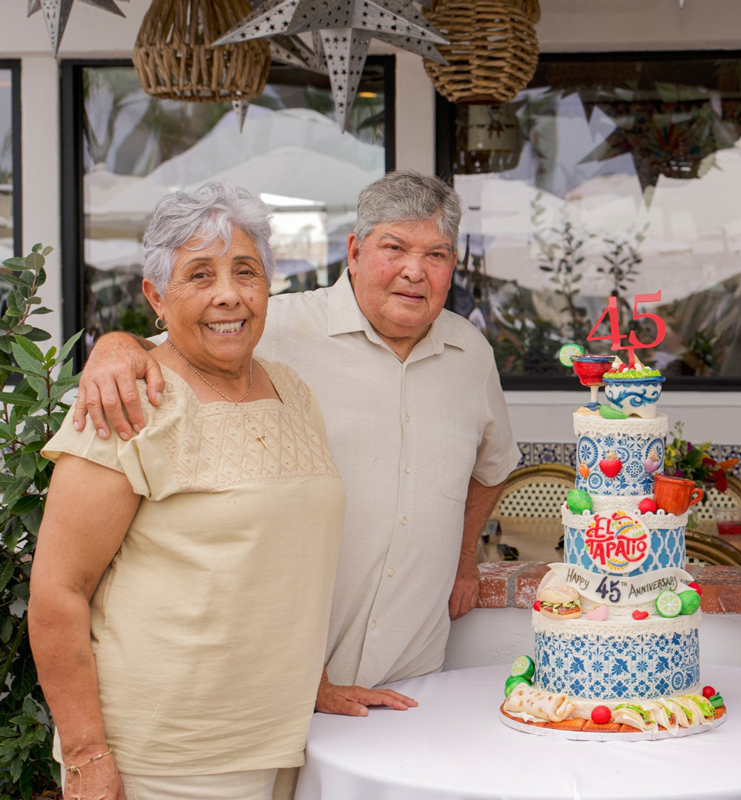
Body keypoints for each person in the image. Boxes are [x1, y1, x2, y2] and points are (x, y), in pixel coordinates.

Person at [72, 170, 521, 718]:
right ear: (354, 252)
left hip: (414, 681)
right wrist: (114, 347)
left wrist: (464, 561)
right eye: (394, 248)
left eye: (437, 254)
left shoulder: (471, 354)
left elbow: (491, 467)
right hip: (283, 691)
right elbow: (167, 344)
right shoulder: (272, 325)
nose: (414, 271)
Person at [29, 184, 355, 800]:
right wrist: (85, 758)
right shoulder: (127, 401)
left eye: (245, 271)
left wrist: (318, 684)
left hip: (289, 740)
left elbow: (281, 561)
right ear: (155, 295)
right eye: (198, 274)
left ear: (268, 286)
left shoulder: (292, 391)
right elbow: (57, 593)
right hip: (168, 758)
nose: (227, 294)